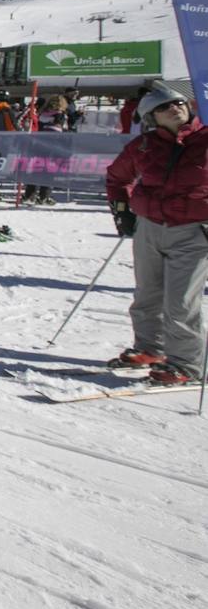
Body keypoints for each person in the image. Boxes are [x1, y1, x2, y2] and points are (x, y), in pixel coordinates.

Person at [105, 82, 208, 385]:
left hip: (193, 231)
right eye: (164, 107)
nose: (174, 108)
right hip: (149, 226)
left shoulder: (204, 140)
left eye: (178, 103)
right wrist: (122, 211)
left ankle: (186, 364)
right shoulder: (143, 146)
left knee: (180, 302)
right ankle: (150, 348)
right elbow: (116, 177)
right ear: (151, 117)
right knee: (147, 293)